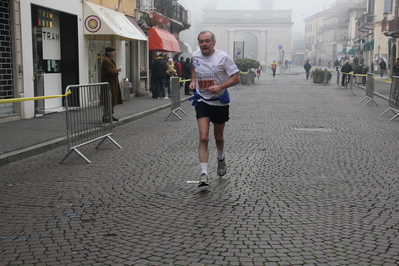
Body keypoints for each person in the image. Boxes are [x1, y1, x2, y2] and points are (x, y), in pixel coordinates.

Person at [188, 30, 240, 187]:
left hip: (219, 101)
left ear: (213, 43)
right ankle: (204, 173)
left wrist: (220, 87)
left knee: (218, 137)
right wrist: (193, 81)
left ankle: (220, 157)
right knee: (203, 137)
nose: (204, 44)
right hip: (202, 101)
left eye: (207, 41)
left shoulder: (223, 57)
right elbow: (194, 69)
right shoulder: (195, 56)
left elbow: (236, 78)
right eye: (201, 41)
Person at [101, 46, 122, 122]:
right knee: (108, 100)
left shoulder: (110, 60)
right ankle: (106, 116)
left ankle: (110, 115)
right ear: (110, 52)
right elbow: (109, 71)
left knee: (111, 100)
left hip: (112, 83)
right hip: (109, 84)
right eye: (113, 52)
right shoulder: (106, 60)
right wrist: (117, 70)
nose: (114, 53)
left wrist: (116, 71)